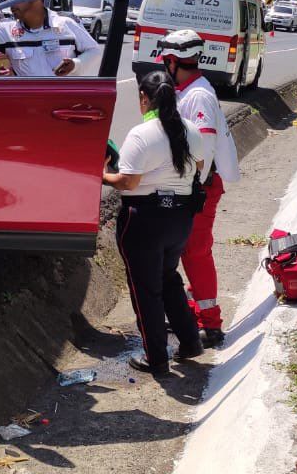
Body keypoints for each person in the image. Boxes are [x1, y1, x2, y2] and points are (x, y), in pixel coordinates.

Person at [102, 70, 211, 376]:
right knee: (167, 277)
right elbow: (199, 167)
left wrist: (102, 174)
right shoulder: (190, 129)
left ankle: (156, 358)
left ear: (143, 98)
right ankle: (190, 342)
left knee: (145, 289)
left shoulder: (142, 134)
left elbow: (127, 181)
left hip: (144, 221)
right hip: (180, 219)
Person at [155, 29, 240, 348]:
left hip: (198, 187)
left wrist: (190, 186)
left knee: (195, 252)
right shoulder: (187, 90)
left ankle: (211, 323)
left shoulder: (198, 95)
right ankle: (192, 313)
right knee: (186, 251)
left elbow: (203, 146)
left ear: (173, 60)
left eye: (166, 60)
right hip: (190, 186)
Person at [0, 0, 101, 77]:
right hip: (28, 99)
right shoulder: (6, 30)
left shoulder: (66, 24)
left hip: (63, 99)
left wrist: (75, 64)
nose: (10, 3)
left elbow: (94, 50)